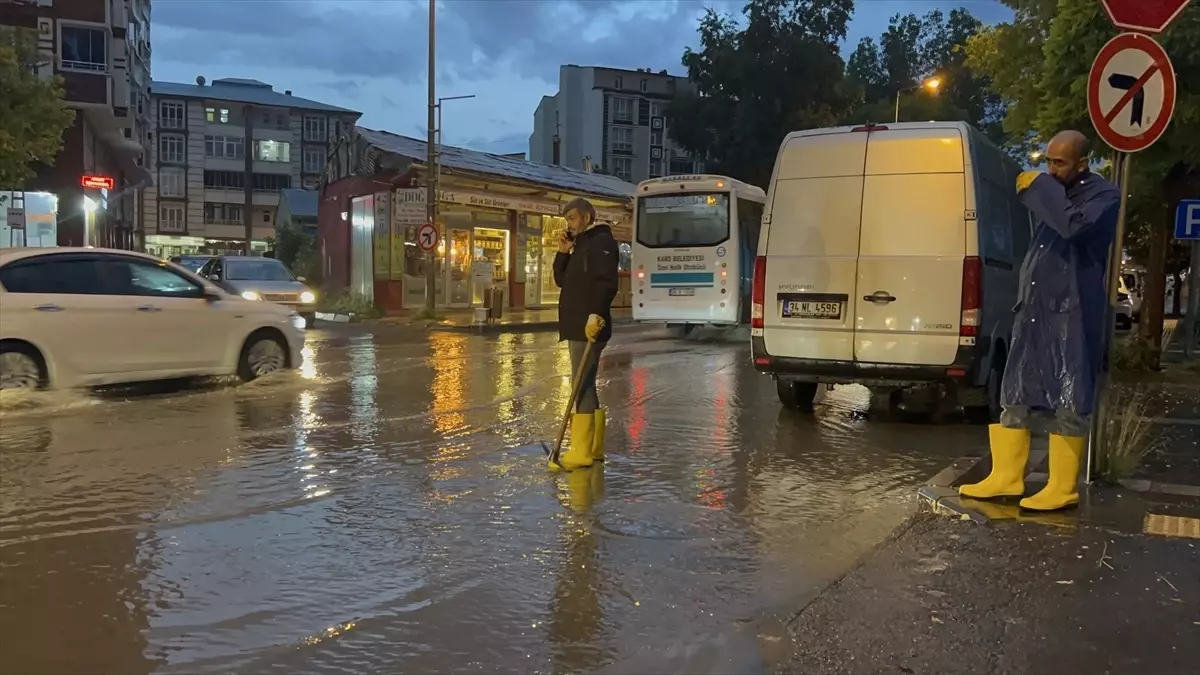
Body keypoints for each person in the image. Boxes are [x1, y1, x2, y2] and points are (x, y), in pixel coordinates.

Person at [960, 130, 1121, 512]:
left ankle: (1062, 486)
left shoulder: (1104, 196)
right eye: (1047, 161)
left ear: (1082, 163)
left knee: (1070, 395)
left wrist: (1044, 189)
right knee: (1016, 391)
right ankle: (1007, 476)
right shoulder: (1057, 191)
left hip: (1072, 311)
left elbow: (1074, 227)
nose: (1049, 169)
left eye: (1059, 162)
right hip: (1034, 311)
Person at [548, 197, 620, 471]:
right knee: (586, 383)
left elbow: (607, 283)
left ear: (587, 217)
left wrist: (596, 314)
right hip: (577, 323)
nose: (569, 225)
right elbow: (561, 281)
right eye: (567, 220)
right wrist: (563, 252)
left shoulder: (601, 243)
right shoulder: (580, 245)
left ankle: (581, 451)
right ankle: (594, 448)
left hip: (588, 325)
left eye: (573, 219)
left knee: (582, 385)